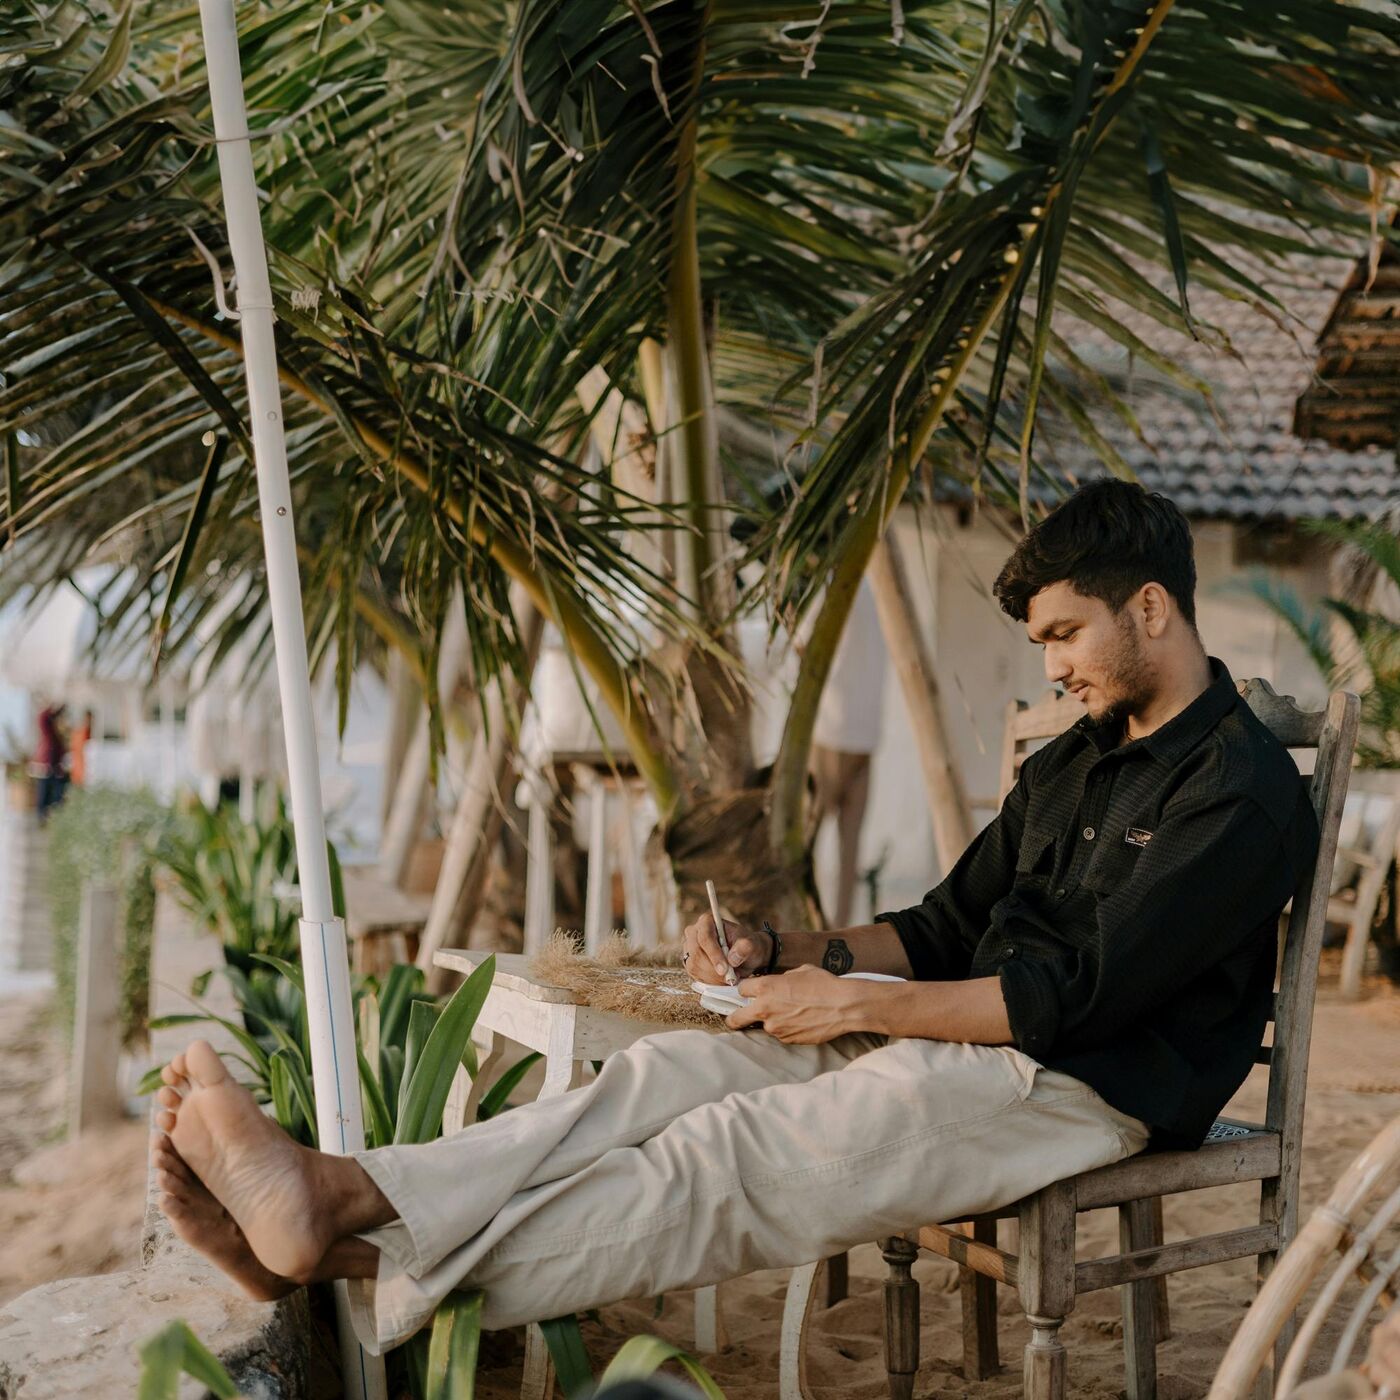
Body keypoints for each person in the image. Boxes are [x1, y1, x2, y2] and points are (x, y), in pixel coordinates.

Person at [150, 480, 1318, 1357]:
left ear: (1151, 607)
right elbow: (939, 922)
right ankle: (343, 1194)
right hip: (960, 1029)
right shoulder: (1071, 761)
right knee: (662, 1076)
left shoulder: (1239, 790)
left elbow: (1073, 1000)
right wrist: (790, 952)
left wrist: (849, 1004)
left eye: (1064, 634)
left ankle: (344, 1265)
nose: (1052, 667)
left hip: (1081, 1084)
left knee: (729, 1161)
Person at [808, 578, 887, 927]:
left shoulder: (828, 588)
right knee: (848, 850)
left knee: (804, 843)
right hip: (866, 735)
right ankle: (836, 928)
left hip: (832, 732)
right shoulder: (877, 593)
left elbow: (803, 648)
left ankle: (807, 927)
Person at [32, 702, 68, 824]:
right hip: (46, 768)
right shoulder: (49, 734)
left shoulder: (56, 735)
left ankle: (50, 817)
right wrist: (53, 706)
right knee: (44, 794)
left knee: (55, 795)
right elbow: (42, 718)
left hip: (54, 769)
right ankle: (42, 818)